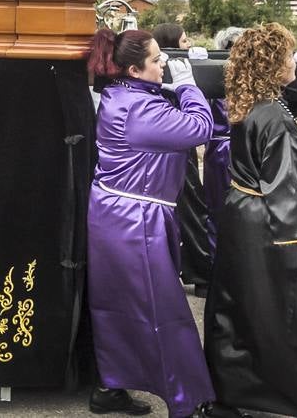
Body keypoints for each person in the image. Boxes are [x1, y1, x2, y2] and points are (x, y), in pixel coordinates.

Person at [203, 23, 297, 418]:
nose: (295, 61)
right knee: (282, 314)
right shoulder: (274, 116)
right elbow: (286, 188)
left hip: (240, 212)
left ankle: (233, 394)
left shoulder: (248, 103)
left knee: (234, 307)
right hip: (266, 224)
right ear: (274, 64)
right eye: (290, 55)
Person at [87, 27, 214, 417]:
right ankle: (187, 400)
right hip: (135, 219)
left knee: (115, 306)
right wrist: (190, 85)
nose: (162, 65)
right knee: (165, 311)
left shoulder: (121, 95)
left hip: (115, 213)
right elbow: (199, 129)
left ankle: (111, 386)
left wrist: (173, 89)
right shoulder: (140, 110)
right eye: (157, 60)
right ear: (134, 69)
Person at [152, 23, 213, 295]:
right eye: (185, 40)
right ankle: (201, 274)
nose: (188, 45)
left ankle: (196, 271)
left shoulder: (176, 67)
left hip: (169, 144)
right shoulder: (163, 71)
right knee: (191, 208)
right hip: (177, 144)